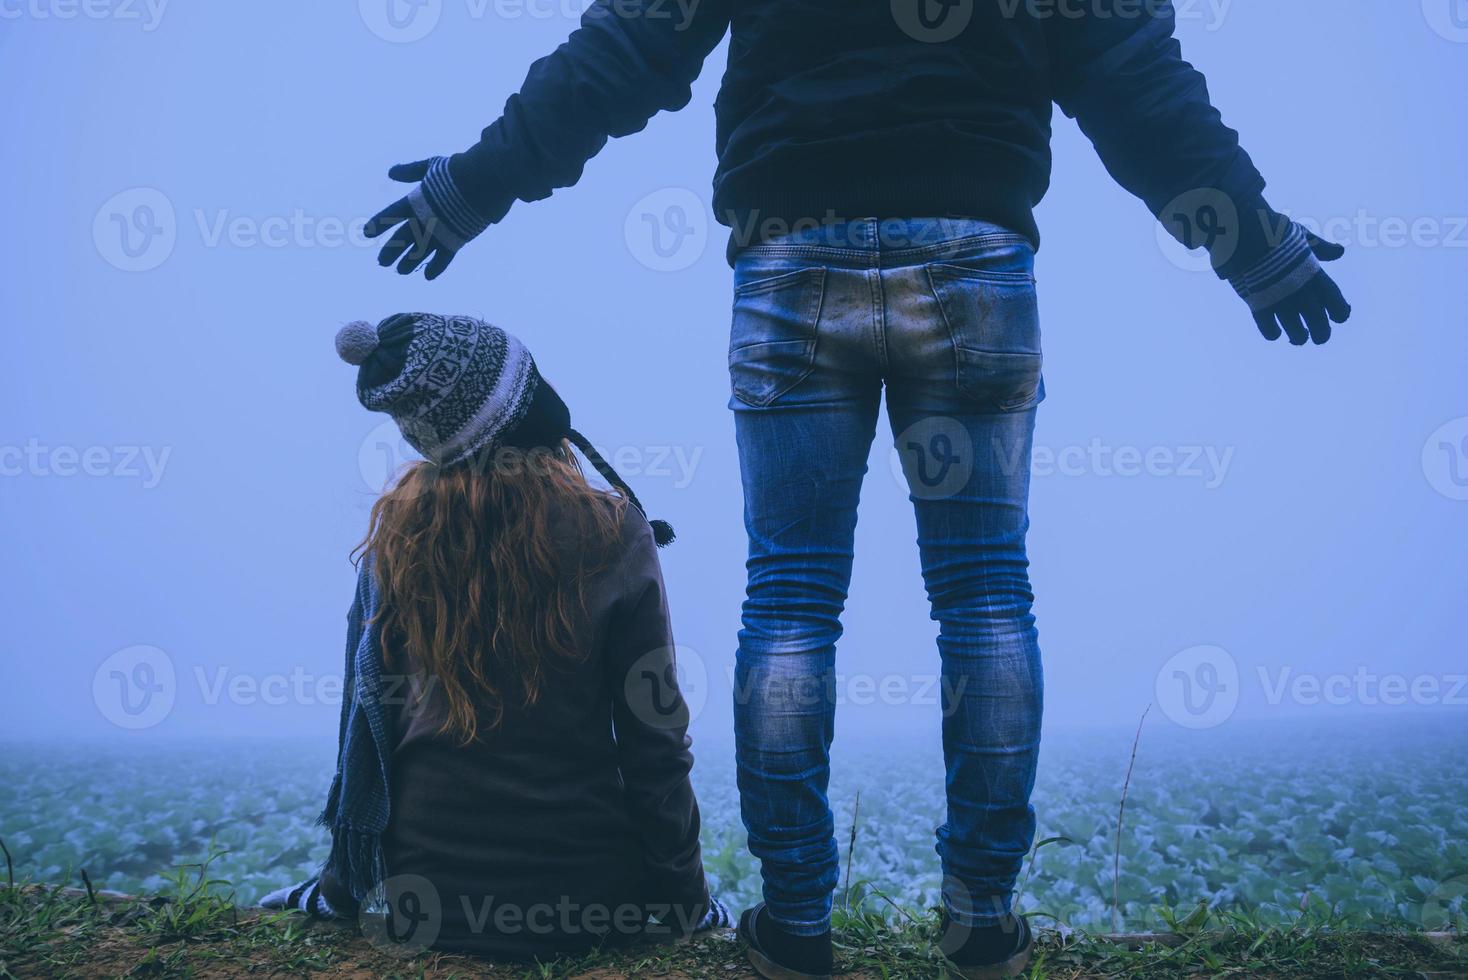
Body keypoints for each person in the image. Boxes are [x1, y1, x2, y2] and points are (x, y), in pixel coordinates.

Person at [360, 3, 1353, 976]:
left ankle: (795, 922)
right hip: (975, 253)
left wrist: (475, 186)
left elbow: (631, 41)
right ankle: (980, 919)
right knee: (985, 592)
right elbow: (1132, 76)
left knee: (790, 591)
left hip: (792, 257)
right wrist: (1249, 239)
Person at [261, 313, 730, 960]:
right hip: (587, 906)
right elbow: (656, 741)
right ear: (524, 407)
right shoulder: (613, 530)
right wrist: (686, 901)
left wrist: (343, 886)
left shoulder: (398, 535)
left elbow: (366, 720)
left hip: (421, 902)